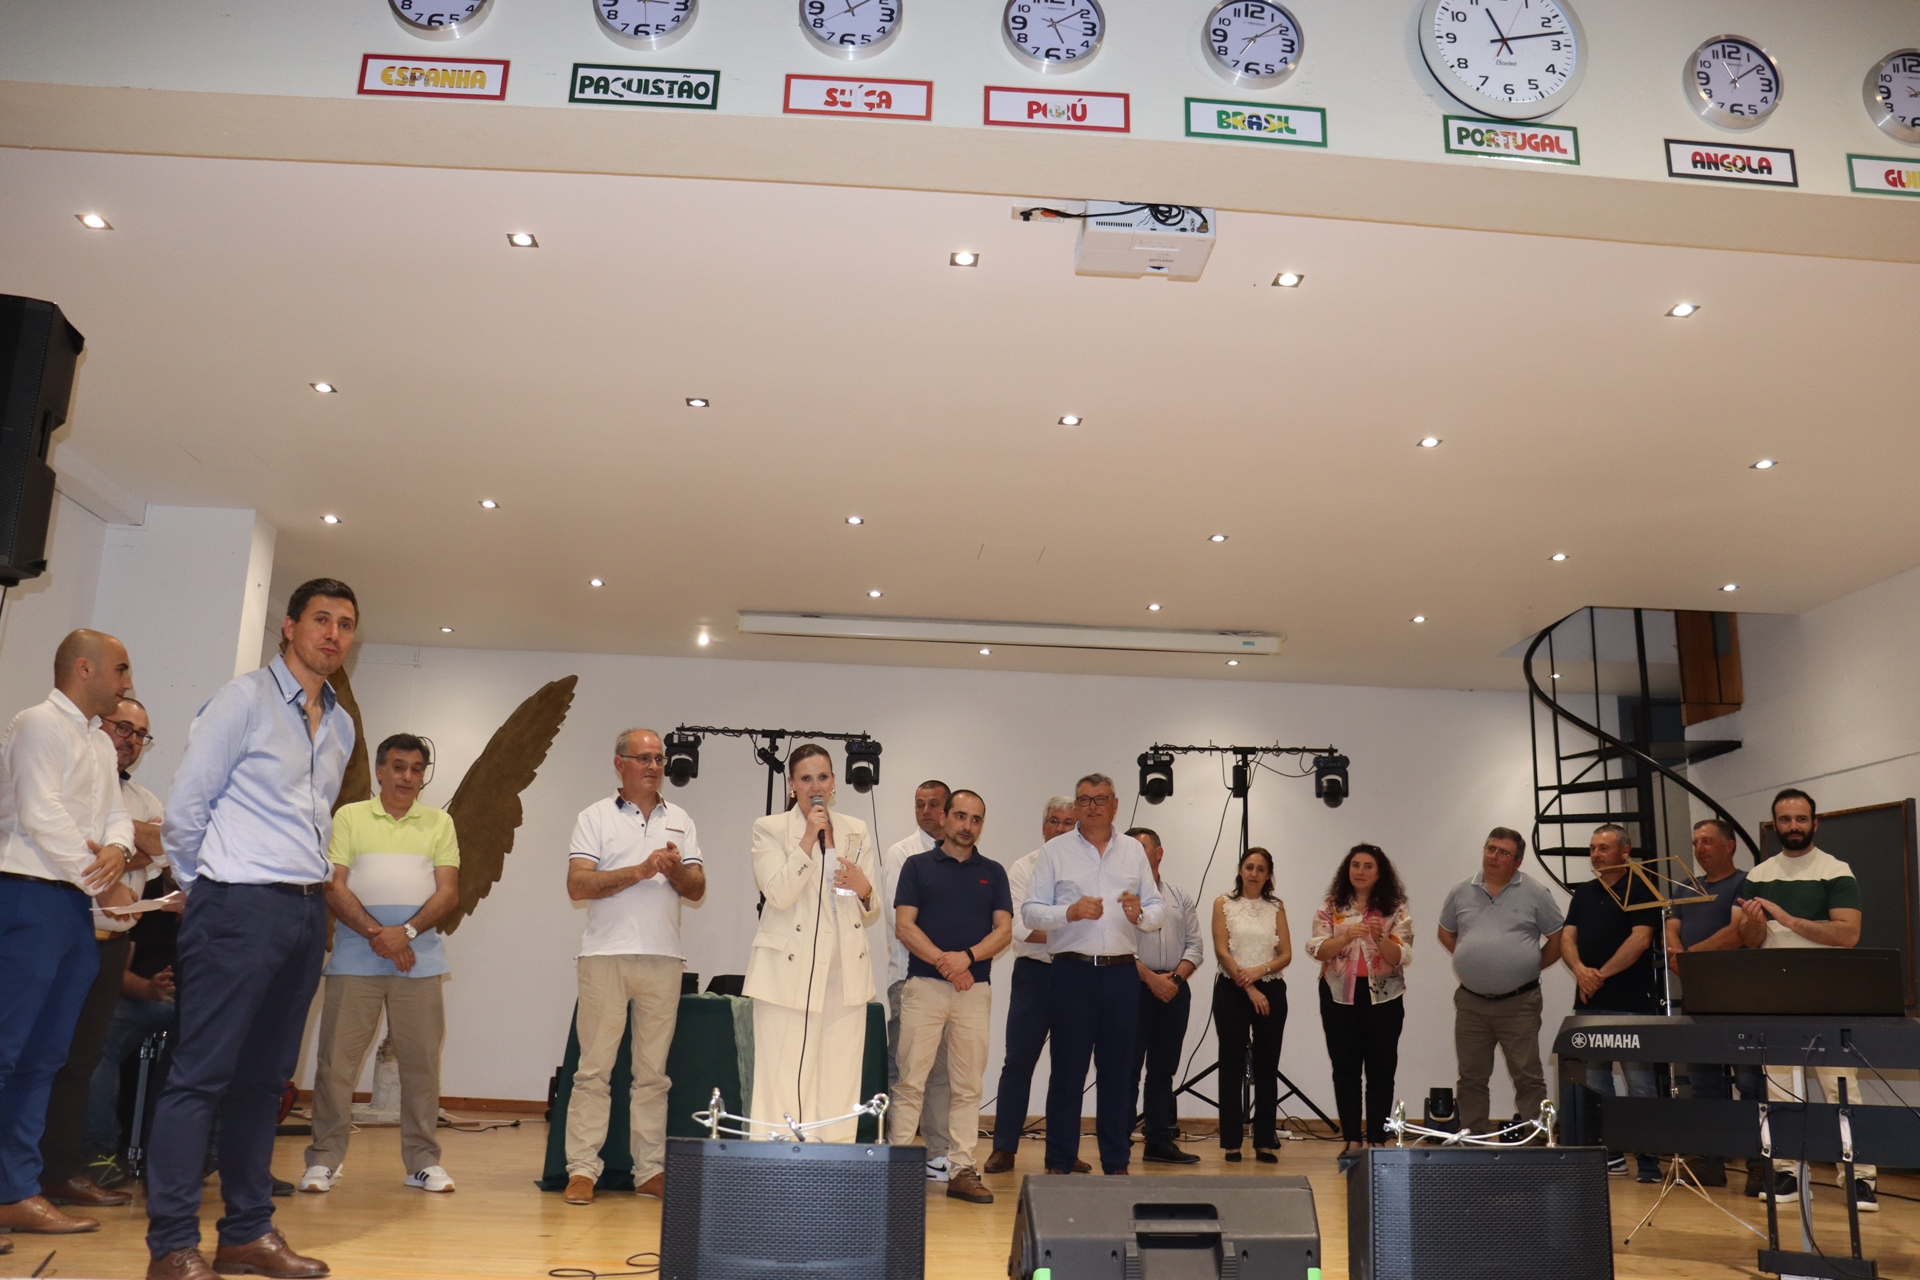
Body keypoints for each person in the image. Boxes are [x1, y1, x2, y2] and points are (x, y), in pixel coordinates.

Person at [145, 579, 360, 1280]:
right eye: (321, 619)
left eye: (345, 624)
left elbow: (312, 820)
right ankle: (172, 1246)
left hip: (305, 909)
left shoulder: (341, 725)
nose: (333, 634)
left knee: (266, 1082)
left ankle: (245, 1234)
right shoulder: (242, 701)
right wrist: (204, 889)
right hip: (236, 904)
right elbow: (186, 809)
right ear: (289, 627)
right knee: (200, 1076)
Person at [0, 629, 138, 1240]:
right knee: (6, 1051)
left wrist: (118, 850)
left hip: (70, 909)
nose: (127, 682)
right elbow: (40, 813)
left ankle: (15, 1190)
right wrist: (101, 879)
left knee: (45, 1058)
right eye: (121, 669)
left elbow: (117, 815)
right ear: (84, 668)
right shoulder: (37, 723)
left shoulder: (100, 743)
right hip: (26, 895)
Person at [300, 734, 462, 1196]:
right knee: (336, 1066)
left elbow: (448, 892)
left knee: (421, 1067)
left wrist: (404, 933)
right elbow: (333, 886)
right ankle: (324, 1160)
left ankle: (422, 1163)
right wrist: (381, 935)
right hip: (356, 959)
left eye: (416, 769)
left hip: (420, 963)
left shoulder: (440, 823)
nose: (407, 776)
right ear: (380, 771)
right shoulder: (349, 817)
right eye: (398, 767)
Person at [559, 729, 705, 1204]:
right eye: (643, 758)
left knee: (653, 1075)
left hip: (664, 958)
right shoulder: (594, 816)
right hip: (605, 956)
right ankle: (582, 1169)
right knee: (593, 1072)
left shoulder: (680, 819)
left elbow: (697, 888)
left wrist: (675, 871)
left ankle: (650, 1170)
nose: (654, 766)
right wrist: (639, 871)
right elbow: (578, 885)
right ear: (619, 763)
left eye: (659, 758)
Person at [41, 696, 166, 1209]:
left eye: (140, 734)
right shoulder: (73, 778)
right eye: (123, 727)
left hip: (115, 946)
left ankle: (65, 1170)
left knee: (83, 1061)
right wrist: (129, 848)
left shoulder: (143, 797)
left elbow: (165, 844)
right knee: (40, 1055)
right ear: (98, 725)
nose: (131, 740)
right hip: (64, 934)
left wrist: (114, 845)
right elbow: (75, 844)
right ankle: (26, 1173)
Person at [1735, 789, 1871, 1211]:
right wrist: (1755, 924)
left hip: (1829, 996)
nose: (1793, 826)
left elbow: (1848, 934)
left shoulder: (1835, 870)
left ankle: (1859, 1177)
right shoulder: (1758, 875)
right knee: (1780, 1088)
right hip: (1775, 997)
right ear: (1774, 824)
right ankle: (1788, 1173)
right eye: (1785, 819)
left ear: (1815, 822)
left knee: (1841, 1087)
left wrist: (1788, 920)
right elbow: (1749, 939)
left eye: (1801, 818)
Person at [1022, 773, 1164, 1176]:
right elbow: (1030, 912)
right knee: (1068, 1072)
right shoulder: (1056, 851)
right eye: (1084, 800)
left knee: (1118, 1074)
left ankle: (1116, 1164)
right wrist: (1068, 912)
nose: (1093, 807)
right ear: (1076, 805)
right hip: (1072, 972)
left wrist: (1141, 914)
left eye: (1101, 799)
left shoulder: (1133, 851)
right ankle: (1059, 1161)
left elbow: (1156, 910)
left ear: (1115, 804)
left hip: (1121, 975)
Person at [744, 744, 880, 1143]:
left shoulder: (855, 828)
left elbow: (869, 907)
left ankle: (831, 1165)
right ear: (792, 785)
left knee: (839, 1078)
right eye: (806, 779)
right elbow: (778, 894)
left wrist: (864, 888)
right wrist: (807, 839)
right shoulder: (770, 829)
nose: (815, 786)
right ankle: (773, 1164)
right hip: (787, 973)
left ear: (834, 781)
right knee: (781, 1077)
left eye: (822, 777)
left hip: (844, 972)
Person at [888, 789, 1011, 1205]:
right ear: (945, 818)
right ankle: (898, 1171)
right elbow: (905, 926)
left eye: (976, 819)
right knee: (910, 1082)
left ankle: (961, 1170)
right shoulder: (917, 866)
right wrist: (947, 963)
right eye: (961, 816)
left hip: (974, 991)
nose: (967, 826)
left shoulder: (993, 872)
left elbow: (1004, 931)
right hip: (924, 988)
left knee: (967, 1086)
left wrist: (967, 959)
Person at [1437, 827, 1565, 1136]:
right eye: (1490, 848)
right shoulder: (1461, 891)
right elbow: (1445, 932)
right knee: (1471, 1077)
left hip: (1519, 1004)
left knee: (1527, 1076)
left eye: (1503, 852)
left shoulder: (1537, 893)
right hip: (1471, 1003)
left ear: (1518, 861)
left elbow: (1559, 939)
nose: (1494, 856)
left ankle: (1535, 1138)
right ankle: (1473, 1137)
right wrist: (1469, 958)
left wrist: (1528, 965)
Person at [983, 796, 1084, 1175]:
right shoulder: (1023, 868)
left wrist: (1063, 930)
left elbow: (1093, 925)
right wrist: (1071, 930)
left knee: (1069, 1067)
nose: (1060, 828)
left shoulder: (1088, 869)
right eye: (1054, 821)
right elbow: (1021, 929)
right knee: (1018, 1062)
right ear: (1043, 827)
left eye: (1068, 822)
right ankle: (1004, 1148)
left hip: (1077, 975)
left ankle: (1064, 1152)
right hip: (1034, 976)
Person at [1562, 824, 1662, 1181]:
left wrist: (1599, 975)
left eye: (1603, 848)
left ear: (1625, 852)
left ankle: (1648, 1159)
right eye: (1592, 848)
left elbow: (1640, 940)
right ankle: (1610, 1153)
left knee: (1640, 1084)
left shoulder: (1642, 887)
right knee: (1594, 1082)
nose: (1596, 854)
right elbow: (1567, 938)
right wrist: (1580, 971)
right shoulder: (1584, 892)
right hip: (1589, 1003)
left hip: (1631, 1002)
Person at [1666, 816, 1760, 1191]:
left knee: (1750, 1083)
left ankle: (1758, 1163)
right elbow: (1671, 925)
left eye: (1706, 841)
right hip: (1698, 998)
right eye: (1695, 843)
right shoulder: (1687, 887)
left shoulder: (1745, 882)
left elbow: (1738, 933)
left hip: (1739, 998)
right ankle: (1710, 1162)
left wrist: (1689, 957)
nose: (1699, 848)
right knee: (1704, 1083)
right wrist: (1676, 950)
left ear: (1729, 845)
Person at [1308, 843, 1413, 1172]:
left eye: (1368, 866)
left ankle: (1378, 1140)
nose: (1360, 871)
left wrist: (1380, 938)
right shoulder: (1332, 905)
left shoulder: (1395, 909)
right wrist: (1345, 937)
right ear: (1347, 869)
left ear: (1380, 873)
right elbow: (1317, 949)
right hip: (1339, 996)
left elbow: (1401, 956)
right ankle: (1352, 1139)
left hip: (1384, 998)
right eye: (1355, 865)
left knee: (1381, 1070)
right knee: (1345, 1069)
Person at [879, 779, 954, 1182]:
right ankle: (899, 1154)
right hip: (908, 977)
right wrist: (944, 957)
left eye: (934, 804)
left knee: (942, 1072)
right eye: (919, 804)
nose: (926, 811)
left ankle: (939, 1155)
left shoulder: (960, 856)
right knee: (905, 1071)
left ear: (948, 810)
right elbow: (901, 922)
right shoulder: (902, 853)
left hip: (951, 981)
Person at [1211, 847, 1290, 1162]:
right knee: (1231, 1064)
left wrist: (1260, 972)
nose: (1254, 873)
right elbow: (1222, 951)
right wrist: (1250, 987)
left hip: (1271, 988)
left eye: (1260, 869)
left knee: (1267, 1065)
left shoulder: (1276, 907)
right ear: (1240, 870)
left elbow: (1285, 954)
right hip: (1232, 989)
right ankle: (1232, 1141)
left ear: (1268, 875)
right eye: (1249, 867)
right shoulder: (1224, 903)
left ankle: (1264, 1140)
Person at [1128, 827, 1201, 1165]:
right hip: (1133, 987)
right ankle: (1118, 1141)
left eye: (1142, 849)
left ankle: (1158, 1141)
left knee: (1163, 1069)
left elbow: (1195, 945)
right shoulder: (1122, 898)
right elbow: (1117, 946)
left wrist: (1174, 978)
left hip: (1174, 988)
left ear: (1158, 853)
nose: (1135, 855)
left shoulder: (1179, 896)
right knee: (1127, 1068)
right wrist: (1150, 979)